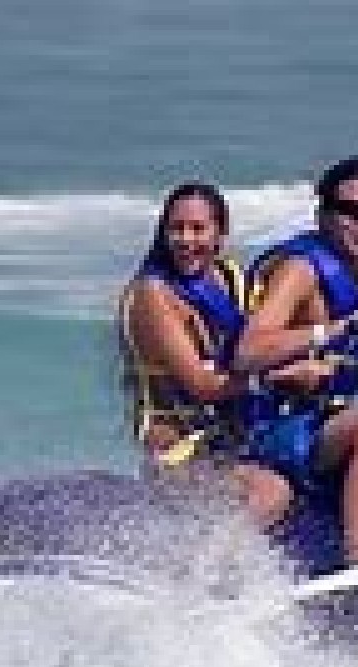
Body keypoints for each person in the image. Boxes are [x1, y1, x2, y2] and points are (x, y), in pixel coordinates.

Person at [237, 157, 358, 565]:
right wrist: (336, 330)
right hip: (272, 428)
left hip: (321, 424)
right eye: (351, 211)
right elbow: (248, 350)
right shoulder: (300, 271)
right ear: (323, 214)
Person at [119, 181, 302, 524]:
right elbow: (202, 385)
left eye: (198, 229)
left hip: (230, 440)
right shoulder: (152, 295)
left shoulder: (228, 276)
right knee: (271, 491)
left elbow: (262, 340)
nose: (187, 241)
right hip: (179, 455)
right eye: (177, 229)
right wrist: (275, 376)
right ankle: (207, 572)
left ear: (220, 234)